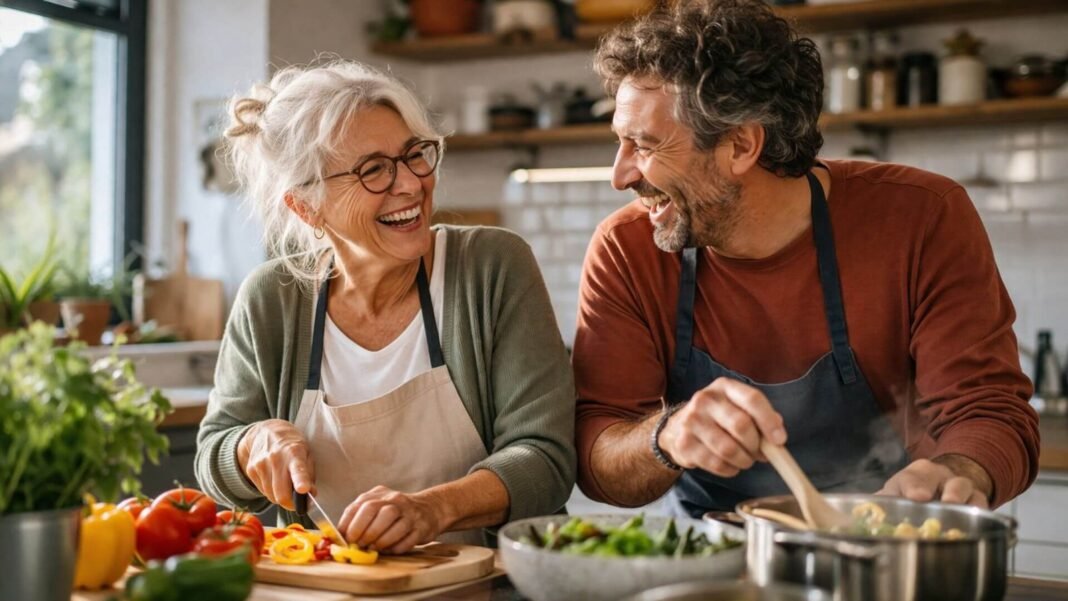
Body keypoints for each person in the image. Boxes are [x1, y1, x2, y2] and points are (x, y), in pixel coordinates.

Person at [572, 0, 1039, 518]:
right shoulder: (626, 249)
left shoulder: (921, 217)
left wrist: (958, 472)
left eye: (643, 145)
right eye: (620, 142)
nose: (619, 176)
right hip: (715, 558)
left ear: (741, 145)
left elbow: (990, 411)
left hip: (882, 545)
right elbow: (598, 457)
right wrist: (666, 436)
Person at [195, 60, 576, 552]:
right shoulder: (273, 299)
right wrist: (251, 447)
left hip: (491, 585)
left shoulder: (492, 267)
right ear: (306, 206)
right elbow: (212, 458)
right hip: (336, 587)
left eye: (414, 154)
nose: (411, 184)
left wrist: (434, 508)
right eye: (373, 169)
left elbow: (546, 459)